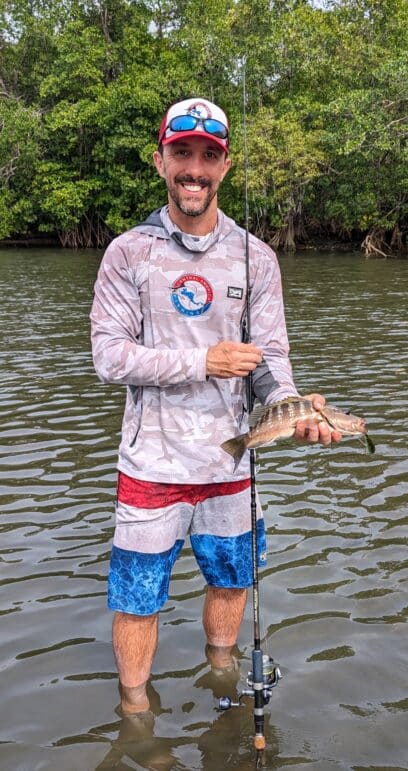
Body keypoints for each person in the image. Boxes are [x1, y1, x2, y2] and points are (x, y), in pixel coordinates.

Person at [90, 97, 341, 716]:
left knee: (232, 581)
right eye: (182, 154)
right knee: (137, 598)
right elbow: (109, 357)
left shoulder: (258, 258)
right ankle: (135, 718)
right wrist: (203, 361)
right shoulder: (128, 253)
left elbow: (271, 362)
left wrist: (291, 406)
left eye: (208, 156)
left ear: (224, 166)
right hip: (151, 465)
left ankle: (223, 677)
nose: (194, 169)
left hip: (232, 470)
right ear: (160, 161)